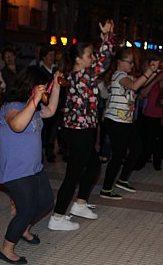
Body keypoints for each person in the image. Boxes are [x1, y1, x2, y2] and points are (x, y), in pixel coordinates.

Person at [48, 20, 114, 231]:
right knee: (74, 174)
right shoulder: (80, 77)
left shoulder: (81, 76)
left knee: (93, 166)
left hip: (83, 130)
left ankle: (80, 204)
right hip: (77, 132)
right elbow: (104, 61)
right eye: (89, 55)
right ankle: (57, 217)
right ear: (78, 59)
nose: (93, 58)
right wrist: (107, 37)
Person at [0, 67, 63, 264]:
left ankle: (23, 228)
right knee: (26, 209)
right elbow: (17, 125)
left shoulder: (30, 105)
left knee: (46, 202)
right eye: (43, 86)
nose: (45, 90)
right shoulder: (11, 106)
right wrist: (34, 100)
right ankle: (6, 249)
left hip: (34, 167)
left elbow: (49, 111)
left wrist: (56, 87)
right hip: (15, 170)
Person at [100, 49, 159, 199]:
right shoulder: (119, 75)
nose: (132, 65)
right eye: (129, 62)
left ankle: (123, 179)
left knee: (137, 148)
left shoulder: (127, 76)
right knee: (118, 155)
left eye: (133, 62)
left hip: (125, 121)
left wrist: (153, 73)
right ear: (120, 62)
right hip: (115, 120)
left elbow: (137, 88)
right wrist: (149, 71)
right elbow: (133, 86)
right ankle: (106, 189)